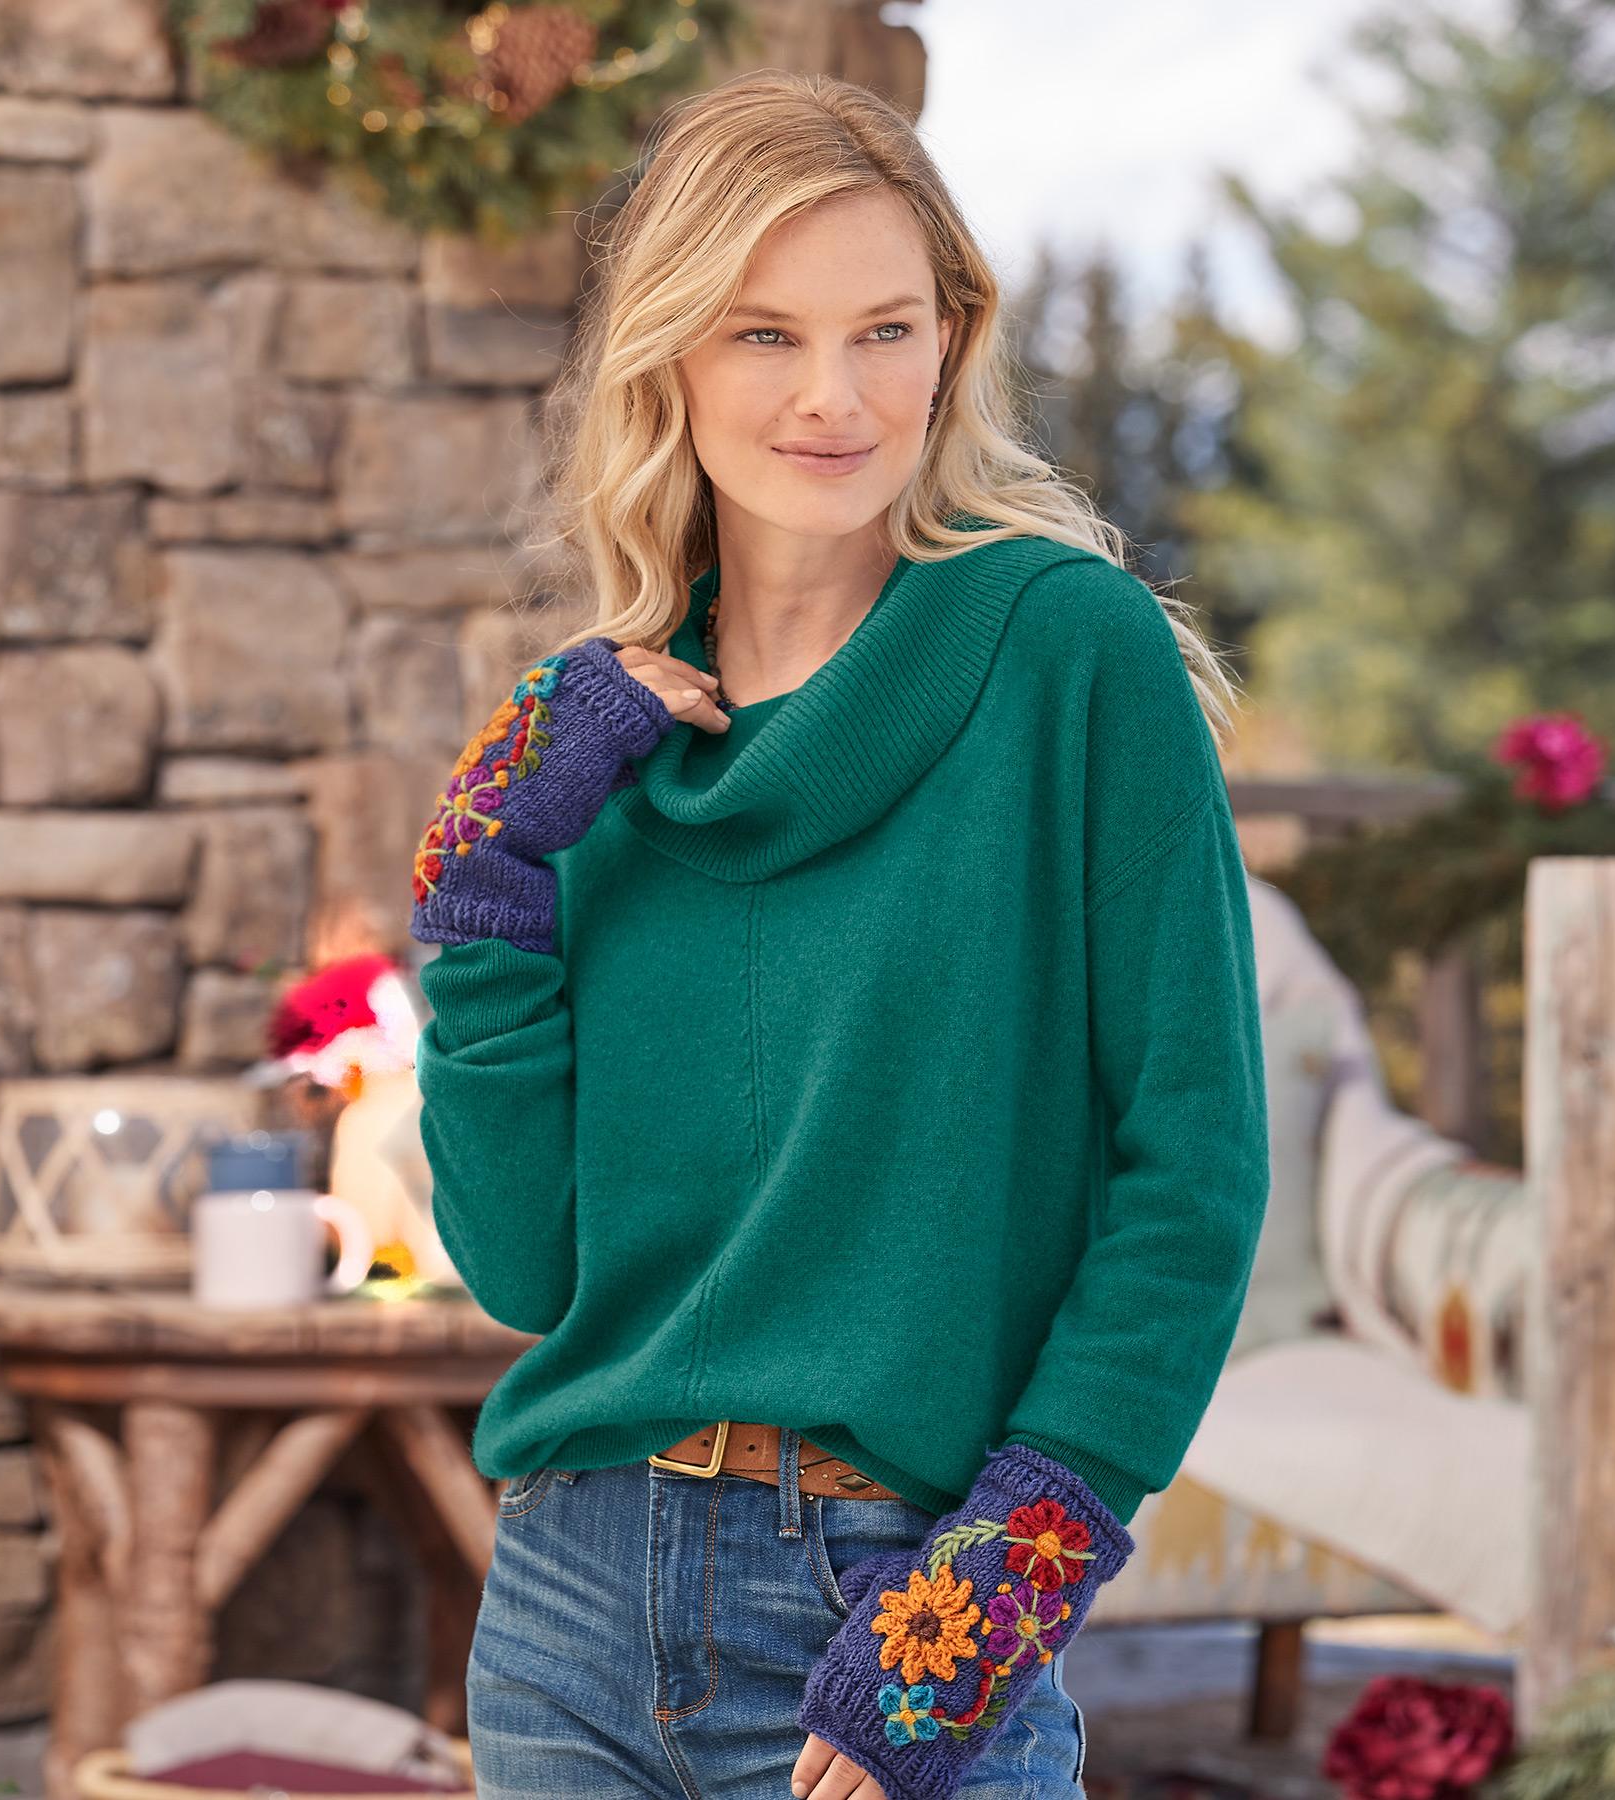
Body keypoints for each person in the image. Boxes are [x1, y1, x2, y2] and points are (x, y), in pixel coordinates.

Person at [408, 68, 1270, 1800]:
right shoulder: (592, 735)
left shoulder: (1067, 653)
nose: (834, 396)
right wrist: (484, 887)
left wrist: (996, 1595)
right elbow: (526, 1272)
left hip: (896, 1602)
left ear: (953, 339)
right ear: (672, 355)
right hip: (568, 1611)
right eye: (766, 335)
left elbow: (1191, 1175)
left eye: (884, 329)